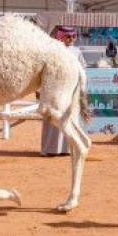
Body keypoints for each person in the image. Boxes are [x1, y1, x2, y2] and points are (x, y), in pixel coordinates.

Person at [41, 26, 86, 155]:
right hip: (53, 91)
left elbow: (82, 70)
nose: (71, 39)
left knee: (70, 119)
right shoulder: (51, 51)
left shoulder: (77, 52)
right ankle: (50, 149)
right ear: (60, 36)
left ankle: (68, 149)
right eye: (68, 36)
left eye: (73, 36)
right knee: (52, 119)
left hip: (70, 92)